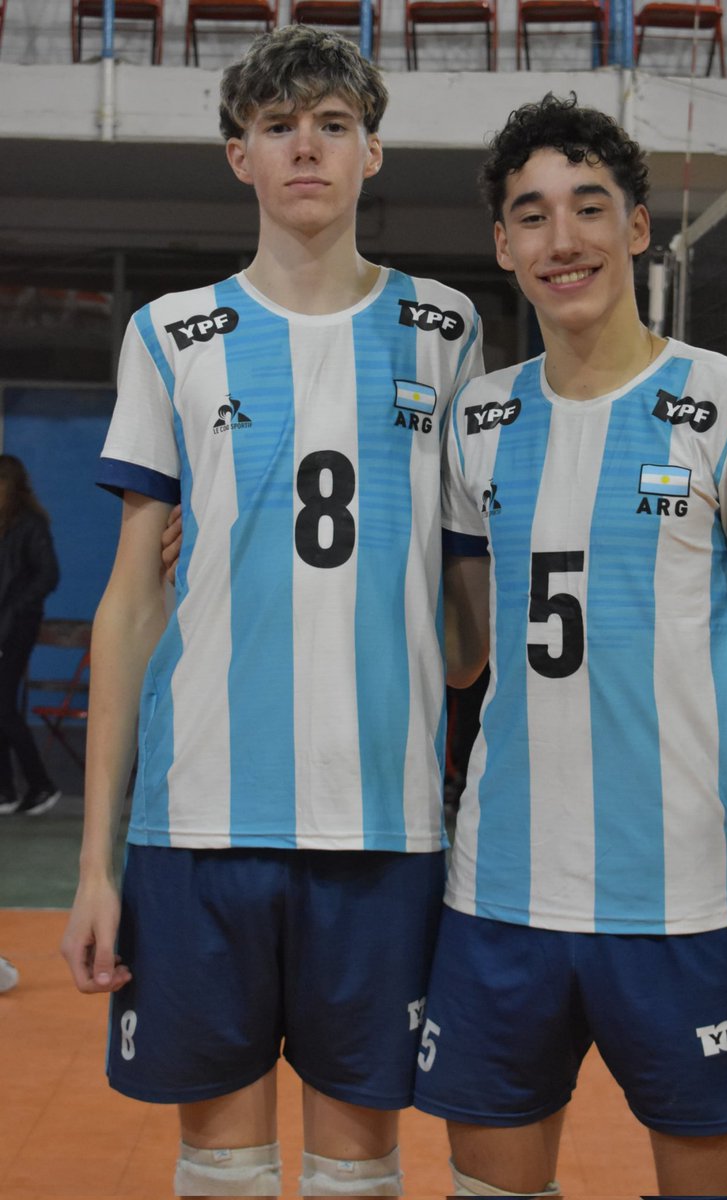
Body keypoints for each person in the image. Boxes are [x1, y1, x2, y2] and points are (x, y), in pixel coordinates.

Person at [60, 25, 482, 1198]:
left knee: (362, 1172)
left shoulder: (445, 330)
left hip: (384, 827)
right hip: (198, 824)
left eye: (334, 125)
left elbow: (466, 630)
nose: (308, 148)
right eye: (280, 127)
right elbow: (128, 609)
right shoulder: (172, 334)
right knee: (223, 1169)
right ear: (237, 155)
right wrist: (97, 865)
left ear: (373, 154)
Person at [414, 94, 727, 1198]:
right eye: (533, 215)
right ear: (503, 244)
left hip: (681, 912)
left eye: (589, 208)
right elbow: (462, 653)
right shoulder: (477, 420)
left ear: (637, 228)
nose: (564, 240)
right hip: (497, 901)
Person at [0, 454, 61, 817]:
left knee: (5, 707)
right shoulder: (6, 526)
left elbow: (48, 575)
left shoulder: (30, 524)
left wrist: (14, 606)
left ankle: (41, 784)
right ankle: (5, 790)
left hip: (16, 625)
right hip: (5, 623)